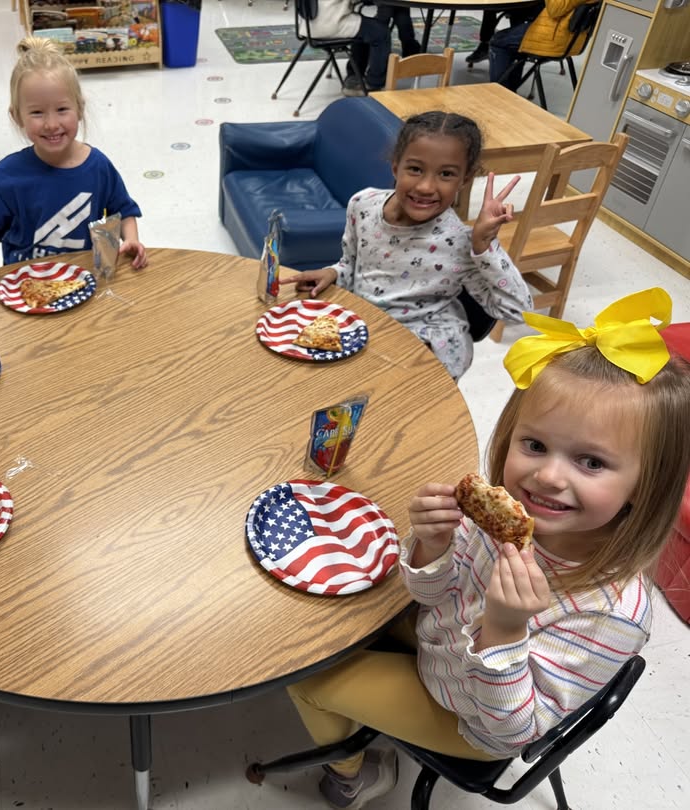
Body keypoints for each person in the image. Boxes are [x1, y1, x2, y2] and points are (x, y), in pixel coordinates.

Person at [286, 288, 690, 808]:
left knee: (311, 675)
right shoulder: (507, 516)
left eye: (591, 462)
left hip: (470, 719)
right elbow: (436, 596)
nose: (546, 477)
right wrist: (431, 546)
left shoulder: (610, 611)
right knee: (329, 615)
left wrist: (503, 629)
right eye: (535, 445)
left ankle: (353, 775)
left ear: (648, 481)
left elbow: (512, 730)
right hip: (442, 643)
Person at [279, 111, 532, 380]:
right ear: (395, 165)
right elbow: (351, 264)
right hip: (360, 335)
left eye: (446, 174)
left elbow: (518, 310)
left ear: (464, 180)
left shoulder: (462, 242)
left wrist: (484, 246)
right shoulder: (362, 205)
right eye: (415, 169)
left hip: (426, 358)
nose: (425, 186)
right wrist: (333, 273)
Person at [0, 36, 147, 293]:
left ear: (79, 108)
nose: (51, 123)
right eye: (37, 112)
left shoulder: (98, 165)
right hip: (25, 287)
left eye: (62, 109)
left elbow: (122, 210)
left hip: (83, 284)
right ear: (17, 116)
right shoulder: (8, 174)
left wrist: (131, 239)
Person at [489, 0, 593, 90]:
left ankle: (499, 94)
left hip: (555, 37)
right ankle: (510, 91)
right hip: (570, 37)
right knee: (517, 21)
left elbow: (555, 9)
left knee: (497, 41)